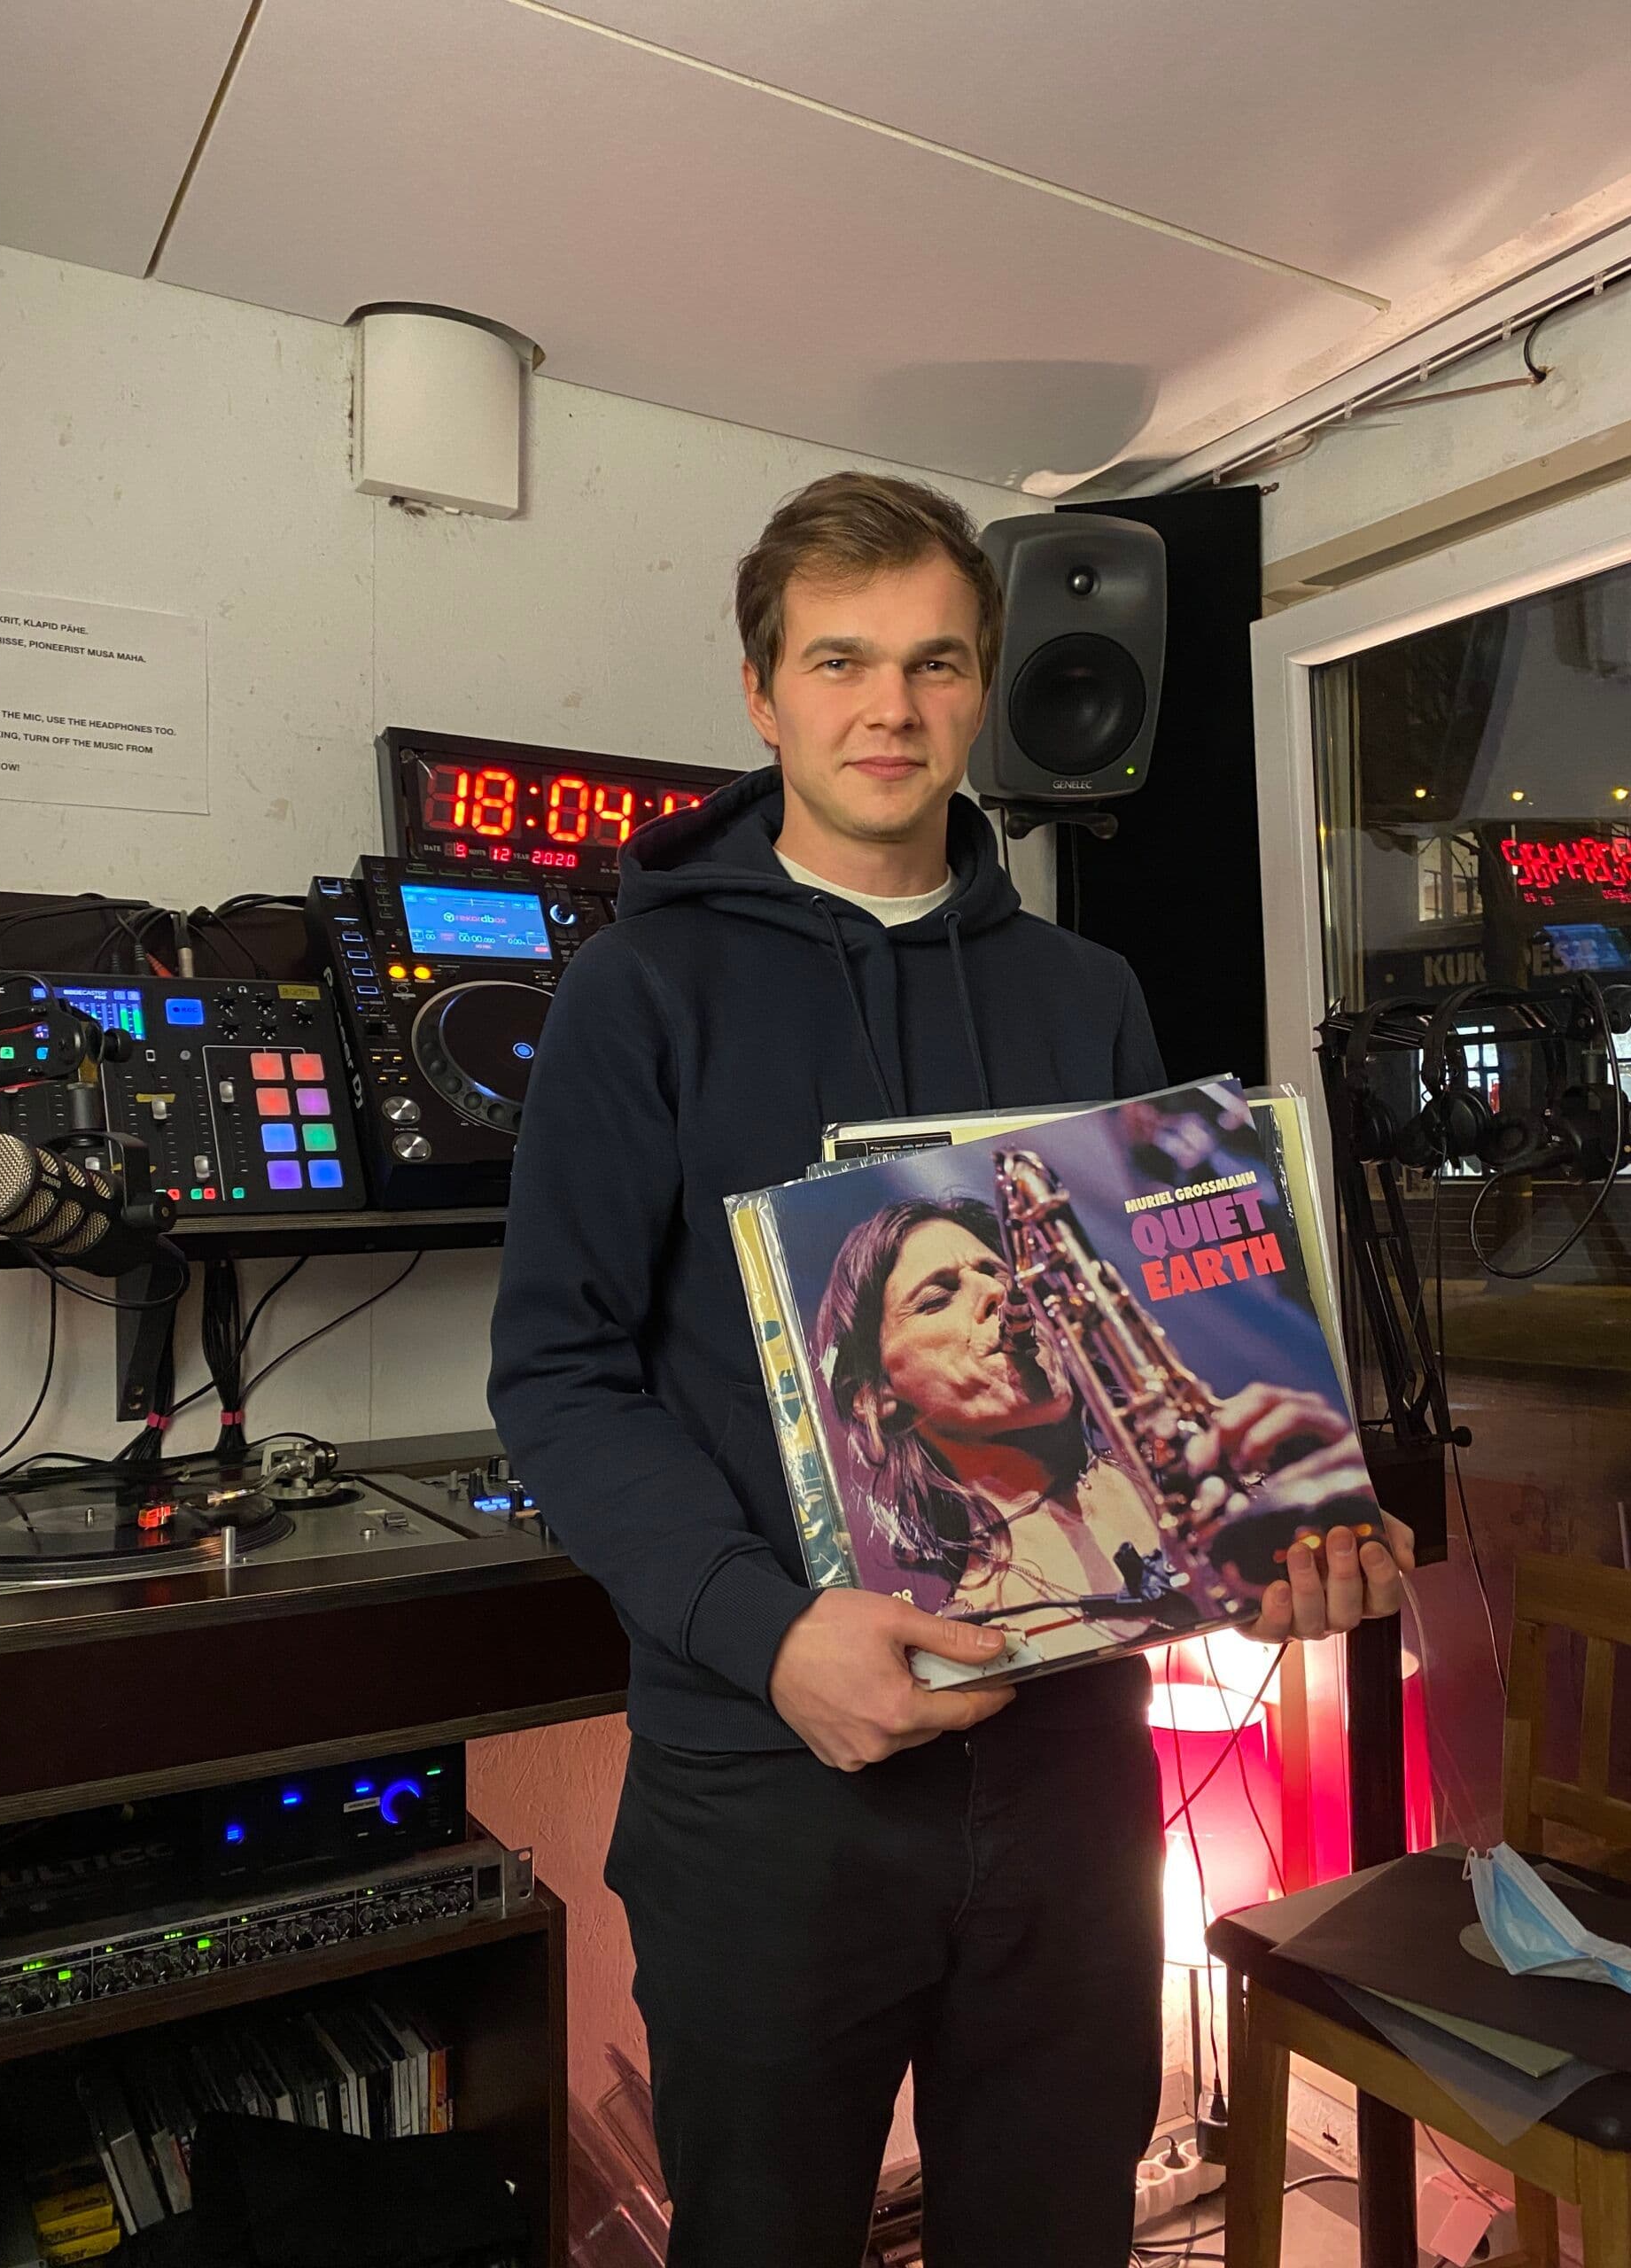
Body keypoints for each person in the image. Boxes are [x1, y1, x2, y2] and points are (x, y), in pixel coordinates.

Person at [489, 471, 1414, 2267]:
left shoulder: (1086, 992)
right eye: (839, 661)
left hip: (1069, 1774)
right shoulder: (638, 989)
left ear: (984, 684)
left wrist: (1266, 1538)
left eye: (933, 662)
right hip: (769, 1776)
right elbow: (557, 1373)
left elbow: (1150, 1338)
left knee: (1054, 2232)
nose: (889, 708)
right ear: (763, 693)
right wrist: (768, 1632)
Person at [813, 1192, 1382, 1643]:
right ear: (874, 1397)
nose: (1000, 1293)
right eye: (938, 1299)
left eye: (1002, 1273)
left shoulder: (1225, 1467)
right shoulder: (969, 1637)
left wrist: (1347, 1503)